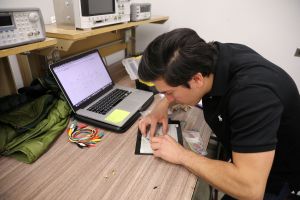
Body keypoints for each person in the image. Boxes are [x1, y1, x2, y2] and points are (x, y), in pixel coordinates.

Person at [138, 28, 300, 199]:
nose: (167, 97)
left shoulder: (252, 95)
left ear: (197, 79)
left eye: (169, 92)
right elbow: (180, 88)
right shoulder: (214, 55)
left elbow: (250, 189)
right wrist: (160, 108)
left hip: (277, 181)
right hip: (251, 161)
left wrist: (181, 155)